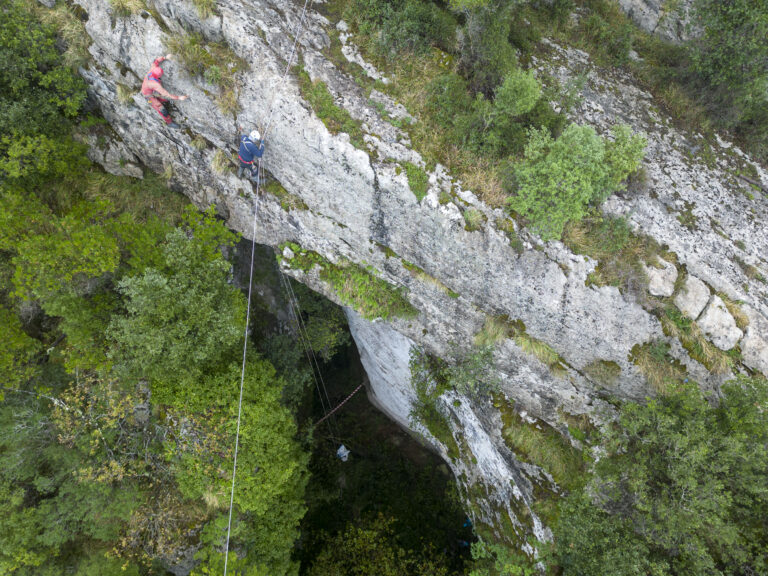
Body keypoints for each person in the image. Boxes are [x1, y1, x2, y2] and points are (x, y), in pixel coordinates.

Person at [141, 55, 189, 129]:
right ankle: (169, 122)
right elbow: (166, 94)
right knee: (162, 109)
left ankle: (164, 102)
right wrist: (179, 97)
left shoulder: (152, 69)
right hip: (149, 97)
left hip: (151, 92)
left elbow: (156, 61)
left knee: (165, 100)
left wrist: (165, 57)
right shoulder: (154, 84)